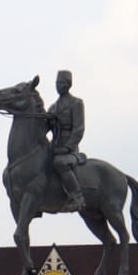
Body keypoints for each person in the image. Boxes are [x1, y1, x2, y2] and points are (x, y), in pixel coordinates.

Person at [47, 69, 86, 211]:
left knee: (60, 163)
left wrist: (68, 147)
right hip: (54, 145)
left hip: (69, 149)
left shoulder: (76, 103)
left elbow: (79, 129)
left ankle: (77, 197)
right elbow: (45, 127)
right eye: (57, 83)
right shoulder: (52, 107)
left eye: (62, 83)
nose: (59, 86)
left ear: (68, 84)